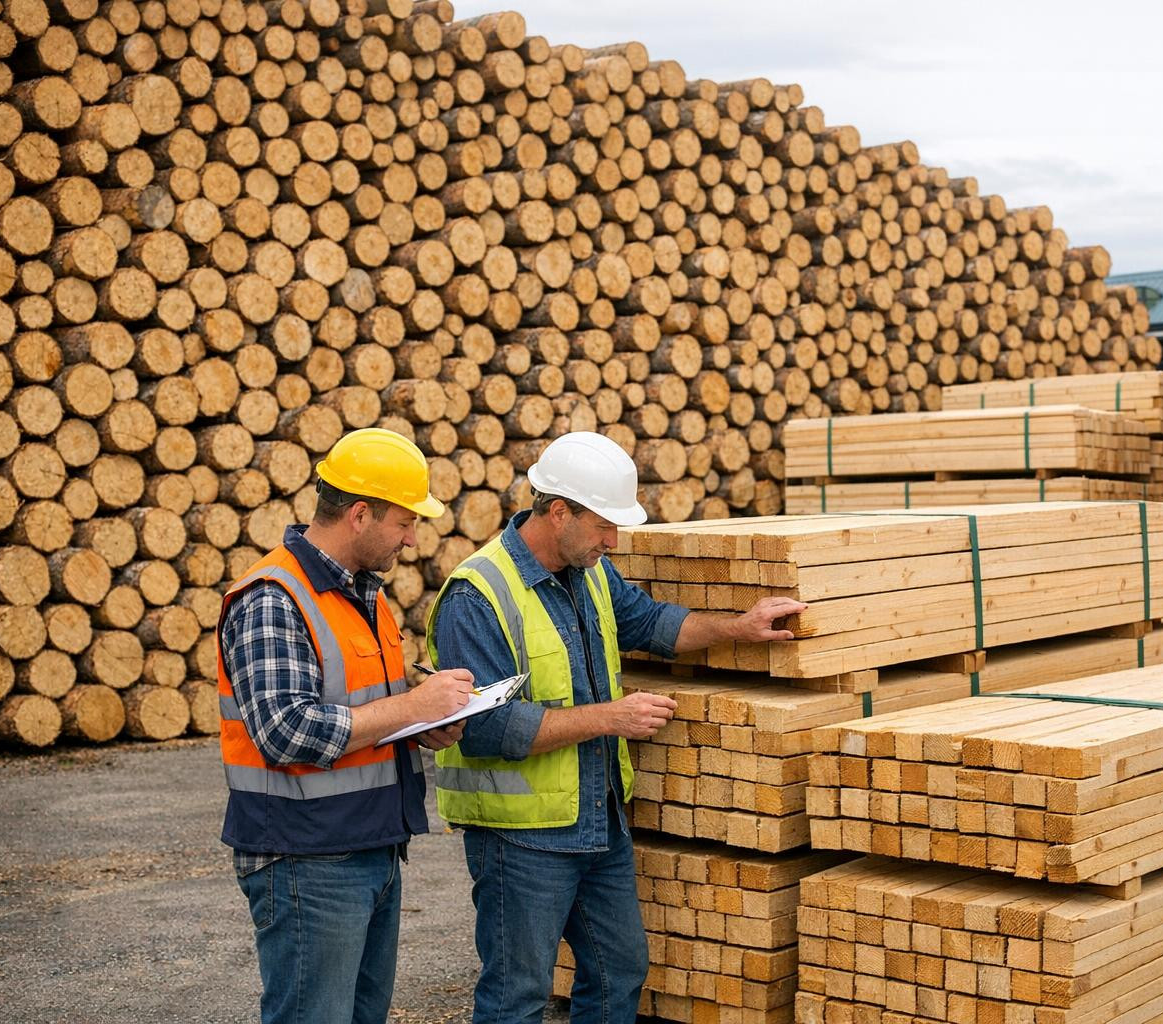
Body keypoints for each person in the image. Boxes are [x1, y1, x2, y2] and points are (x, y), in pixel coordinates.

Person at [426, 431, 806, 1024]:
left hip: (596, 818)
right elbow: (484, 730)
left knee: (618, 970)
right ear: (558, 513)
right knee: (516, 994)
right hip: (522, 836)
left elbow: (653, 624)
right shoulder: (478, 595)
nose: (614, 539)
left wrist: (740, 627)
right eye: (605, 525)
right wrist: (612, 718)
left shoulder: (591, 574)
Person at [218, 427, 478, 1024]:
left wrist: (423, 723)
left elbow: (362, 711)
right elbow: (285, 731)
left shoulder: (362, 594)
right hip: (307, 858)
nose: (412, 539)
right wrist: (414, 707)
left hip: (368, 845)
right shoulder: (273, 597)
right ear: (360, 514)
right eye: (404, 521)